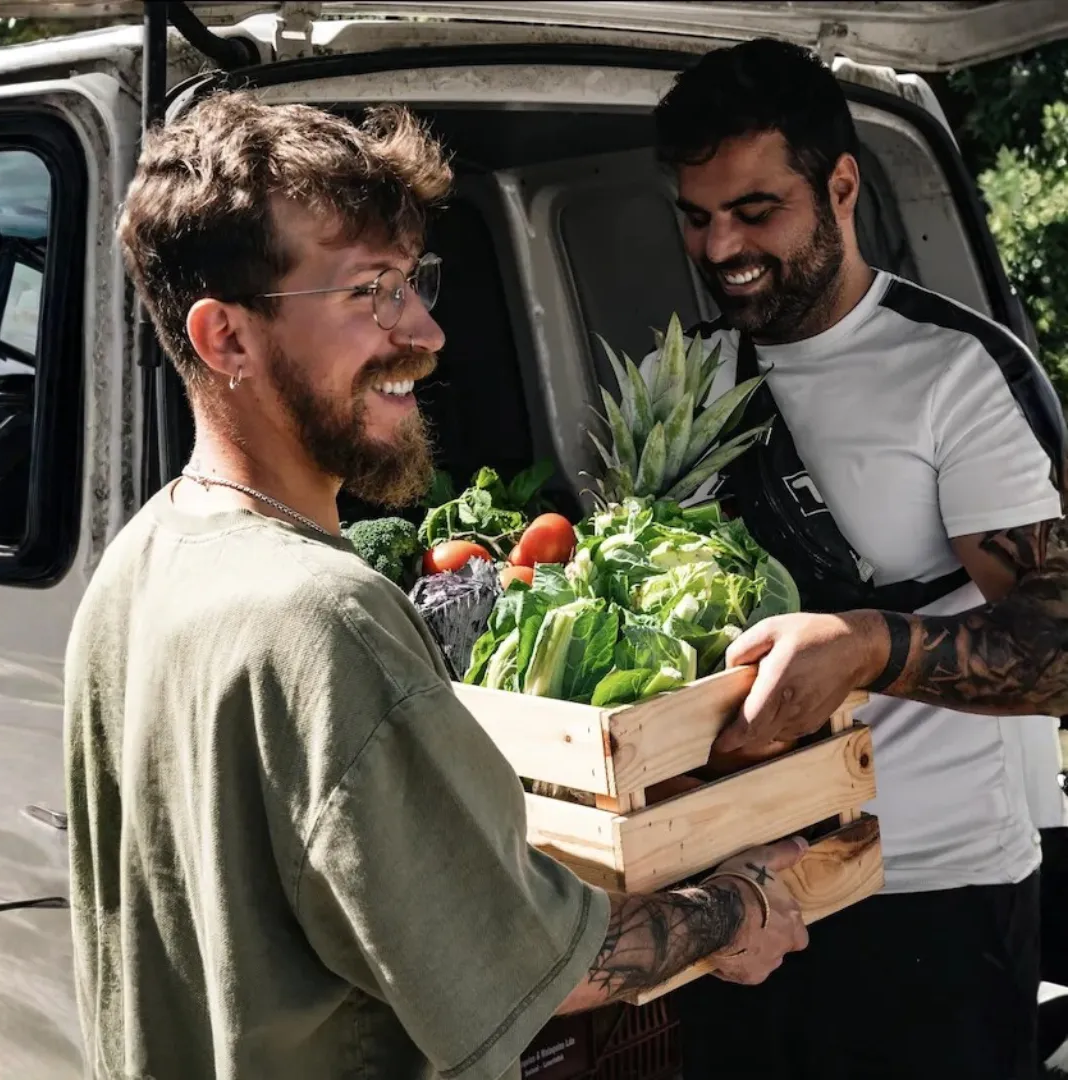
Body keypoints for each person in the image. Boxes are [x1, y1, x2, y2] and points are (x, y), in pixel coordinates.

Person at [62, 90, 809, 1080]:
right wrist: (737, 906)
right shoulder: (323, 620)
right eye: (369, 292)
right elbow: (542, 967)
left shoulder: (139, 561)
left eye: (413, 283)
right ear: (224, 339)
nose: (425, 331)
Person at [653, 38, 1068, 1080]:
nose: (721, 249)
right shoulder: (691, 373)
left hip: (931, 901)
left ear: (840, 185)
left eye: (756, 211)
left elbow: (1062, 647)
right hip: (741, 902)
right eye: (698, 218)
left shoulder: (954, 370)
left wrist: (870, 644)